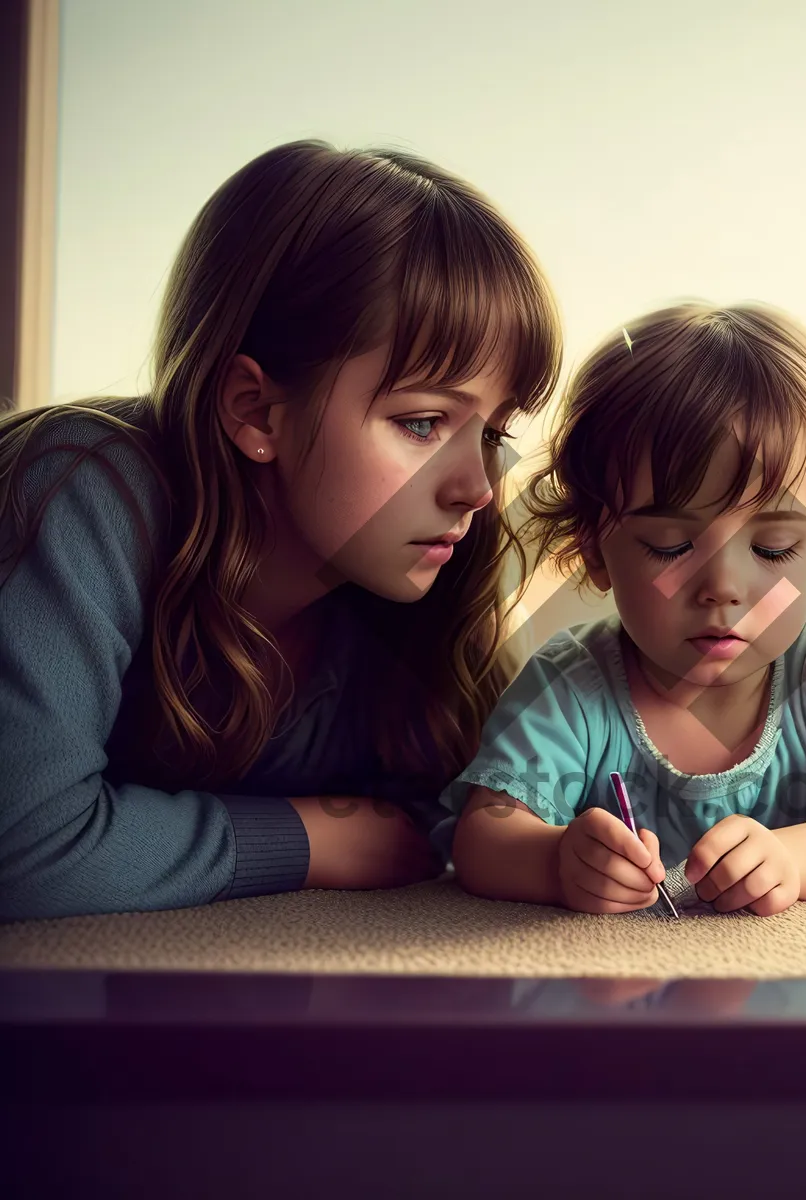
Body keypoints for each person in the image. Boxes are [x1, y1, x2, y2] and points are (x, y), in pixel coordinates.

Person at [0, 139, 561, 923]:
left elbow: (447, 822)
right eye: (424, 422)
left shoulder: (418, 592)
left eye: (495, 435)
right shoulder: (79, 490)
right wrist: (311, 840)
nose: (477, 491)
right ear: (255, 409)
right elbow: (23, 850)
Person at [440, 301, 806, 916]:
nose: (723, 587)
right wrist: (557, 861)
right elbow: (482, 837)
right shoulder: (572, 683)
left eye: (773, 547)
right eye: (670, 546)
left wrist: (793, 859)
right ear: (595, 553)